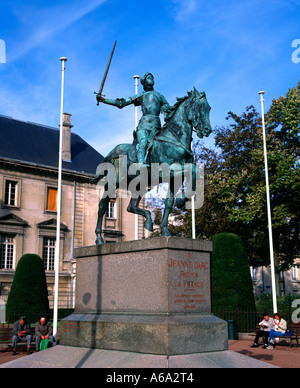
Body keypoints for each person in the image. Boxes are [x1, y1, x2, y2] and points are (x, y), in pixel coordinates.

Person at [97, 72, 170, 166]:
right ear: (144, 82)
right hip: (144, 126)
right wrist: (103, 100)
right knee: (143, 142)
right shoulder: (141, 96)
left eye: (152, 77)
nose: (151, 78)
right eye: (148, 77)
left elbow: (169, 110)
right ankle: (141, 164)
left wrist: (169, 108)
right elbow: (121, 103)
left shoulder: (160, 97)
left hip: (157, 128)